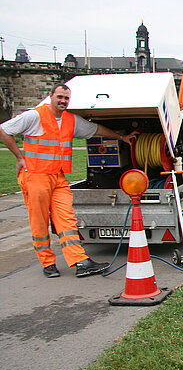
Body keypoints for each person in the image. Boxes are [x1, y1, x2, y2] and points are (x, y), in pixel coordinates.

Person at [0, 84, 139, 278]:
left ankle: (80, 261)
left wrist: (121, 137)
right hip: (36, 176)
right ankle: (48, 264)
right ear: (50, 96)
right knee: (39, 221)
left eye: (66, 98)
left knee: (67, 220)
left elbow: (96, 129)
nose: (63, 101)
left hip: (58, 178)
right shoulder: (34, 116)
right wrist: (19, 157)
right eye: (59, 97)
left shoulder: (70, 120)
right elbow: (4, 130)